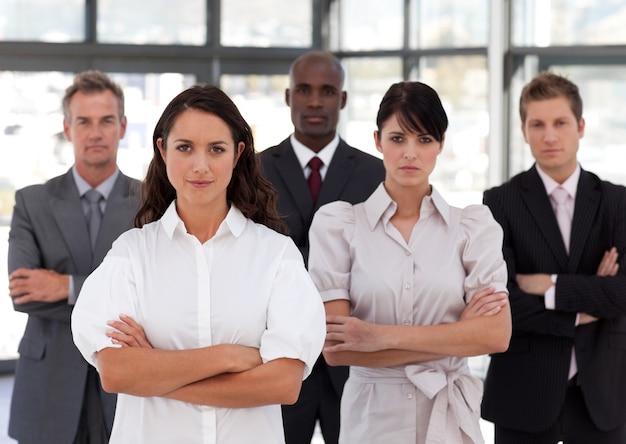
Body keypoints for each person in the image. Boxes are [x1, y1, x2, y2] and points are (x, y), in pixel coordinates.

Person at [71, 83, 326, 444]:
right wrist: (229, 356)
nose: (200, 165)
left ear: (237, 154)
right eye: (185, 147)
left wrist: (156, 374)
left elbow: (283, 384)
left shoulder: (276, 256)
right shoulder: (131, 254)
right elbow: (115, 373)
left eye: (216, 149)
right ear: (162, 150)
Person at [308, 81, 512, 444]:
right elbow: (338, 350)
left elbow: (496, 335)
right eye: (398, 138)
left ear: (441, 144)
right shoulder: (339, 226)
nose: (410, 153)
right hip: (372, 422)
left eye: (425, 140)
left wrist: (376, 336)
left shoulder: (472, 227)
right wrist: (458, 336)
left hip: (449, 422)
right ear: (377, 141)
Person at [481, 71, 626, 443]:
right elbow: (502, 303)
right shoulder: (499, 202)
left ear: (580, 126)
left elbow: (623, 293)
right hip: (524, 392)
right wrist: (589, 299)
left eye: (560, 123)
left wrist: (552, 287)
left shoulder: (617, 202)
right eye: (537, 124)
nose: (549, 135)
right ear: (524, 130)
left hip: (604, 394)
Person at [7, 70, 141, 444]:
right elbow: (24, 292)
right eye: (84, 121)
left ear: (123, 127)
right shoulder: (31, 202)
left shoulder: (152, 204)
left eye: (106, 121)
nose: (95, 132)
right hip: (49, 383)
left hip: (126, 385)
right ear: (67, 129)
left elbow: (152, 297)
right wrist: (113, 297)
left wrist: (63, 285)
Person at [259, 50, 385, 444]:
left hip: (353, 358)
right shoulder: (254, 171)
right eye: (305, 90)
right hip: (277, 353)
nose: (315, 101)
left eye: (327, 91)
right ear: (288, 96)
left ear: (343, 99)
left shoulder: (376, 173)